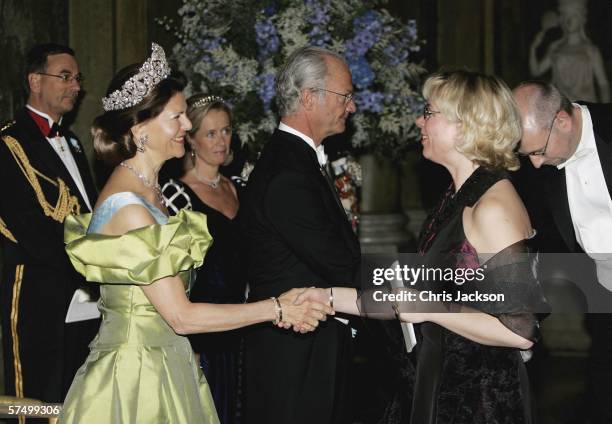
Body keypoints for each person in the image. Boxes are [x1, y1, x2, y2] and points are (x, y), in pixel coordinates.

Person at [57, 43, 331, 423]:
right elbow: (181, 317)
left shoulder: (148, 190)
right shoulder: (130, 207)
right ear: (140, 131)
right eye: (178, 118)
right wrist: (278, 308)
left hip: (166, 361)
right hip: (138, 379)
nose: (187, 127)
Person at [300, 70, 549, 423]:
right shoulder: (458, 196)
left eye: (429, 112)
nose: (420, 120)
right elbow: (417, 295)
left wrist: (431, 307)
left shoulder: (492, 207)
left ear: (465, 125)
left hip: (479, 398)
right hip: (443, 380)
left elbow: (520, 330)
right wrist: (327, 297)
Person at [240, 45, 361, 424]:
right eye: (346, 96)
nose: (352, 107)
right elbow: (342, 264)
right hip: (296, 357)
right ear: (309, 98)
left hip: (309, 348)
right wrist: (431, 289)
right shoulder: (289, 173)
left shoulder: (294, 160)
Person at [0, 43, 99, 404]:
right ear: (34, 81)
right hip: (39, 294)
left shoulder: (71, 141)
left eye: (78, 78)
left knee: (81, 398)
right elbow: (30, 228)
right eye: (65, 77)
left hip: (85, 296)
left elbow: (88, 211)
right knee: (38, 401)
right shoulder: (9, 142)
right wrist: (90, 264)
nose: (75, 86)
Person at [513, 80, 612, 423]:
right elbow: (540, 243)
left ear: (564, 121)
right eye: (527, 155)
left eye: (538, 151)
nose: (536, 164)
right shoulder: (540, 168)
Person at [161, 93, 245, 424]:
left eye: (226, 131)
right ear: (191, 138)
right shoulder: (175, 194)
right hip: (202, 330)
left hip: (242, 326)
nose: (221, 141)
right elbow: (173, 273)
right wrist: (187, 343)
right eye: (211, 133)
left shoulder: (239, 186)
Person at [529, 0, 610, 102]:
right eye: (565, 15)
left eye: (574, 15)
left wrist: (605, 111)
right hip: (561, 107)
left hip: (586, 105)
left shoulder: (591, 50)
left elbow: (603, 84)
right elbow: (536, 71)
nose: (569, 19)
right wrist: (533, 48)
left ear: (582, 19)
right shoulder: (555, 48)